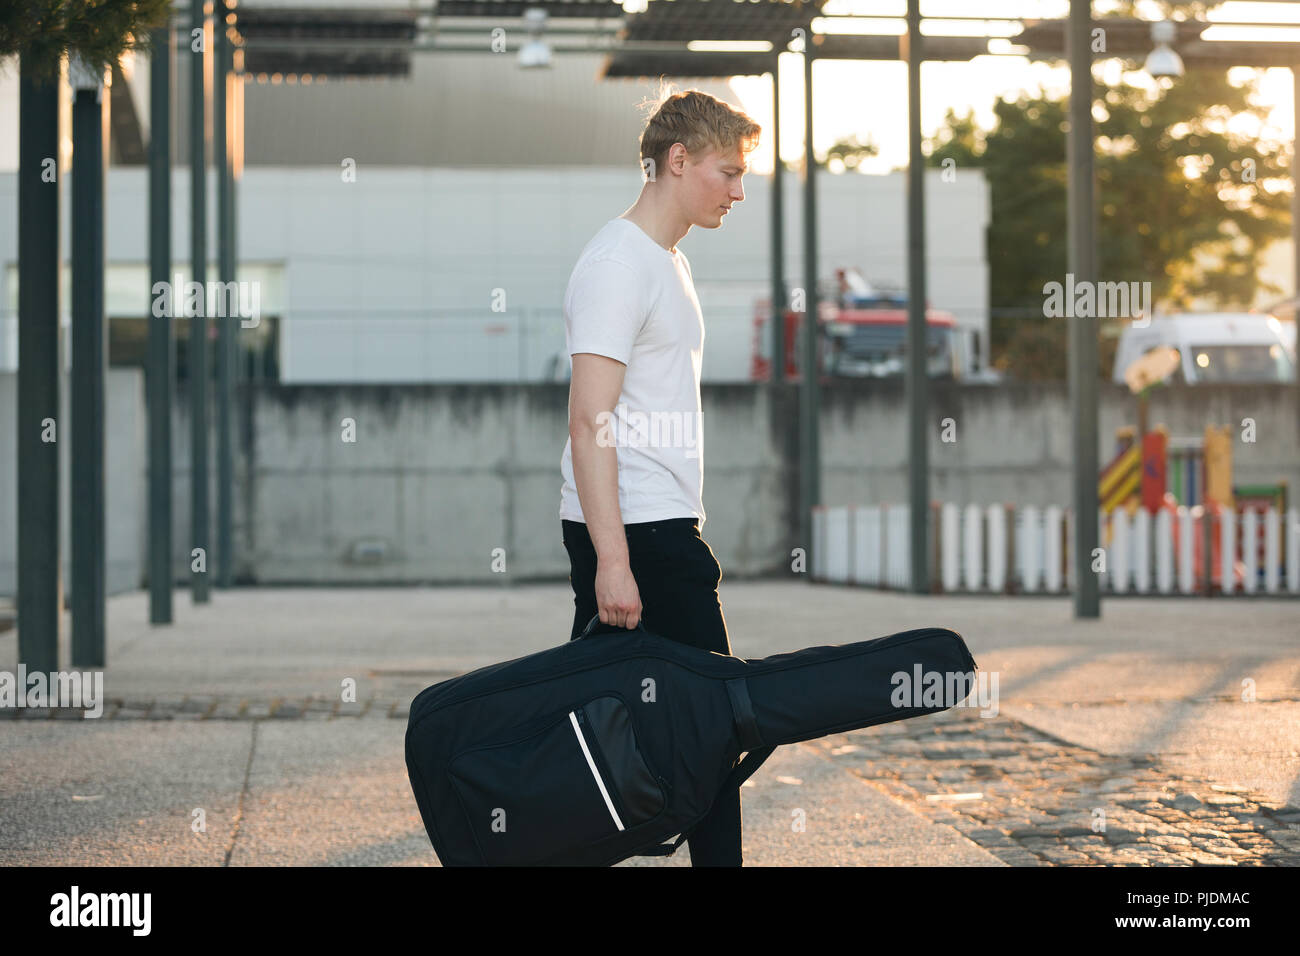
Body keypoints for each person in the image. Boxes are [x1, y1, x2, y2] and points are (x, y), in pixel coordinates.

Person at [558, 86, 761, 867]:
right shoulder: (618, 263)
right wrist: (615, 560)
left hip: (658, 528)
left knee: (622, 729)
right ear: (678, 161)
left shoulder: (664, 261)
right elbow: (589, 419)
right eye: (728, 171)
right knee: (710, 725)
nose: (739, 191)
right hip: (638, 534)